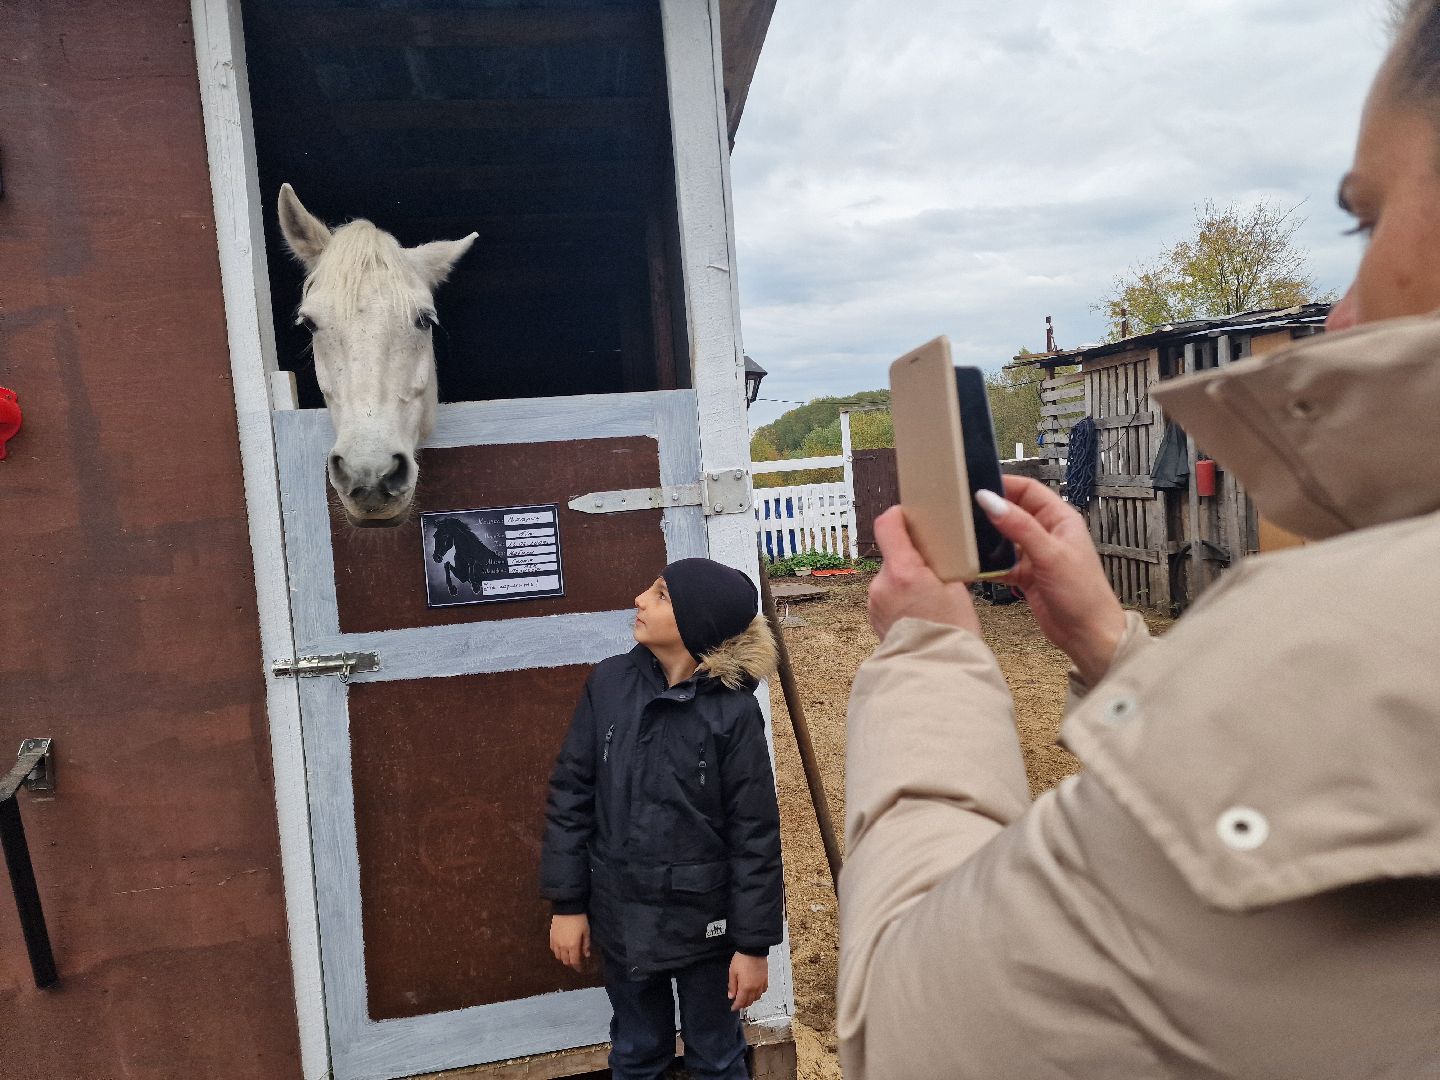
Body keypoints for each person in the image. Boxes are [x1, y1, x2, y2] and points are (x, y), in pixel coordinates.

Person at [837, 4, 1440, 1077]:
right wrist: (1114, 648)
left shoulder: (1337, 637)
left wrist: (928, 654)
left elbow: (905, 1030)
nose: (1339, 318)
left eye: (1367, 222)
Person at [540, 558, 784, 1080]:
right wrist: (568, 904)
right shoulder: (609, 683)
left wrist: (753, 946)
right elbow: (571, 795)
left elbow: (755, 834)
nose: (639, 600)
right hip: (622, 913)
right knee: (636, 1052)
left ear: (697, 620)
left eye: (661, 595)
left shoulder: (733, 713)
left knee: (716, 1056)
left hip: (707, 924)